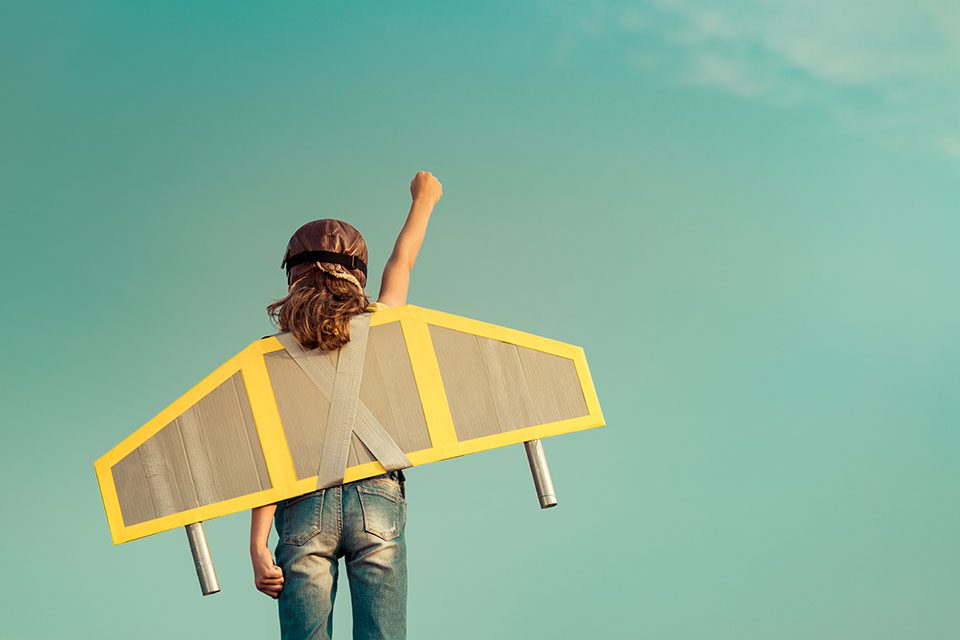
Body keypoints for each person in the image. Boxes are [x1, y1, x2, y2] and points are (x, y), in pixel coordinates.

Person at [248, 171, 443, 640]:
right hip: (376, 500)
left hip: (302, 505)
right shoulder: (383, 324)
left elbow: (266, 453)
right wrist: (423, 200)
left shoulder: (270, 355)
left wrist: (258, 544)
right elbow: (402, 262)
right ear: (357, 274)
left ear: (293, 277)